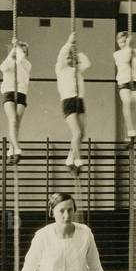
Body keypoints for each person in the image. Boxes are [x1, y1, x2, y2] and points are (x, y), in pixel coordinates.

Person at [55, 32, 91, 173]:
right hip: (68, 100)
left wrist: (77, 52)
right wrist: (69, 43)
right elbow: (61, 55)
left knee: (82, 133)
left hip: (79, 100)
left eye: (72, 56)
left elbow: (87, 63)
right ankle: (77, 160)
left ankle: (70, 158)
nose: (70, 58)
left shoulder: (77, 70)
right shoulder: (60, 68)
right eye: (68, 56)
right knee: (76, 132)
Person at [0, 39, 31, 164]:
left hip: (21, 93)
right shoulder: (10, 61)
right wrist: (12, 53)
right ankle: (16, 148)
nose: (22, 53)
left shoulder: (27, 64)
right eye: (20, 50)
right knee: (12, 120)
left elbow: (21, 69)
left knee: (16, 124)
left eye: (24, 51)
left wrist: (16, 50)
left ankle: (10, 150)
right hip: (9, 92)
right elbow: (3, 68)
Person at [114, 31, 136, 147]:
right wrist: (128, 47)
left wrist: (130, 49)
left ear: (128, 40)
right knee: (127, 103)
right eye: (120, 41)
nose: (122, 43)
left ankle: (133, 132)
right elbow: (126, 59)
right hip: (123, 82)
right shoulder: (117, 54)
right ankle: (131, 133)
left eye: (124, 41)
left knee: (132, 104)